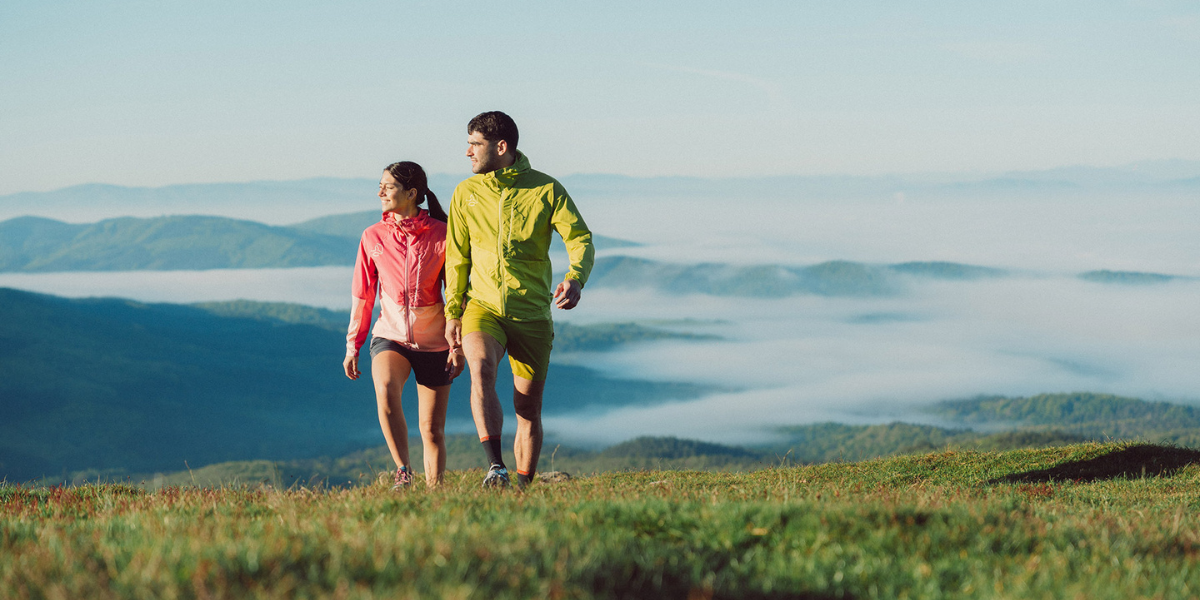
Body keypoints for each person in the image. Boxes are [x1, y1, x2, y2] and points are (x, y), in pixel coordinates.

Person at [444, 111, 595, 489]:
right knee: (480, 370)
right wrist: (453, 312)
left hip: (531, 313)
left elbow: (580, 239)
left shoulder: (546, 190)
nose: (467, 153)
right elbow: (457, 257)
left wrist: (575, 279)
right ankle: (496, 467)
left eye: (474, 144)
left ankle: (524, 487)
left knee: (527, 409)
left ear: (501, 146)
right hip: (483, 307)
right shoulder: (466, 193)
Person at [344, 161, 464, 489]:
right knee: (385, 388)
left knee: (432, 430)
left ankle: (434, 493)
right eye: (380, 185)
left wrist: (458, 345)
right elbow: (363, 295)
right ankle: (403, 471)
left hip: (436, 341)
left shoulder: (443, 234)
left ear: (412, 194)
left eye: (389, 186)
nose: (380, 191)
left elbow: (458, 295)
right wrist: (353, 345)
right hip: (390, 335)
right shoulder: (372, 237)